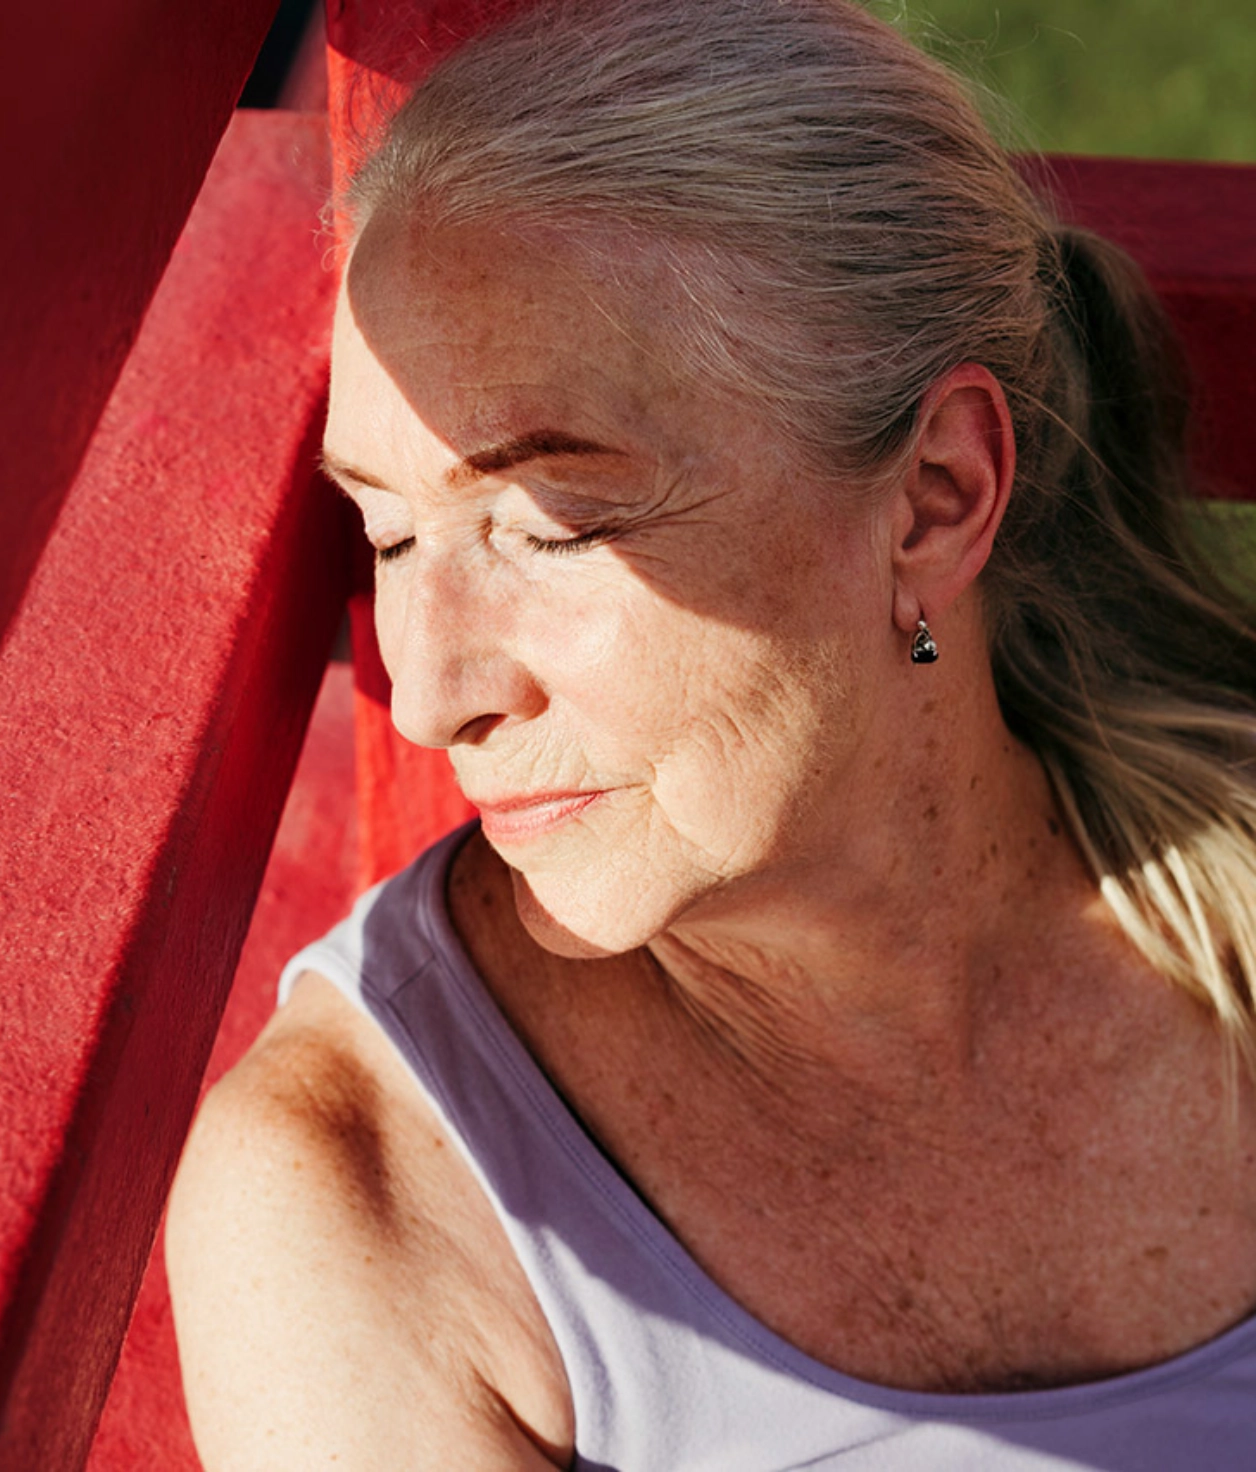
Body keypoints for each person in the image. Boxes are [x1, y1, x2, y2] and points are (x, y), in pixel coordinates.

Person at [165, 1, 1256, 1465]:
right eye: (386, 531)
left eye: (548, 524)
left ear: (934, 496)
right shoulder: (367, 1200)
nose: (430, 697)